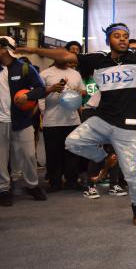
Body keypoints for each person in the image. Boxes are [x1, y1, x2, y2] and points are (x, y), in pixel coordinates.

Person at [17, 23, 136, 226]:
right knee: (72, 142)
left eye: (125, 36)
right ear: (108, 40)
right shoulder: (98, 59)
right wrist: (34, 49)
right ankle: (106, 158)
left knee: (131, 171)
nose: (122, 39)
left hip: (127, 126)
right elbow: (65, 55)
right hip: (102, 119)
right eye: (117, 36)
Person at [0, 36, 47, 206]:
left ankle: (32, 184)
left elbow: (41, 89)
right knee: (0, 157)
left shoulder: (25, 68)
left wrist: (27, 96)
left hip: (22, 121)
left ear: (4, 49)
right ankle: (3, 189)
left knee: (29, 155)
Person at [38, 53, 86, 192]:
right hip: (52, 119)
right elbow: (39, 93)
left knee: (73, 152)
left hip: (72, 119)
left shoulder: (75, 74)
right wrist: (52, 89)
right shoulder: (45, 74)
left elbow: (83, 91)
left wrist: (76, 92)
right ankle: (55, 182)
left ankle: (72, 181)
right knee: (53, 153)